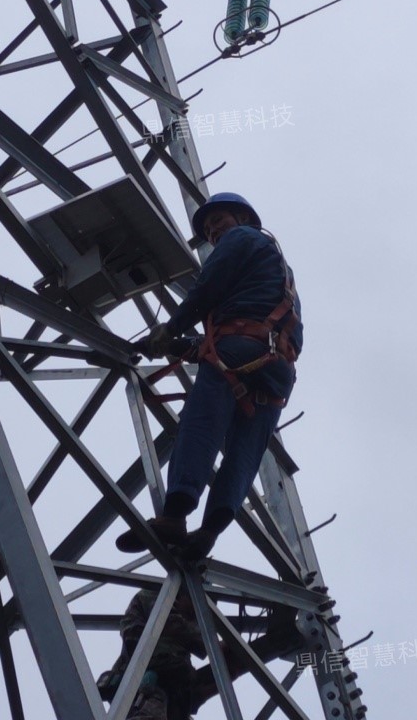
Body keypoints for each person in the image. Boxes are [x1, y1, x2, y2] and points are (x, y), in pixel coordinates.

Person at [116, 192, 303, 560]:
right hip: (275, 367)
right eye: (207, 228)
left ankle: (174, 515)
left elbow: (209, 287)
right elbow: (236, 327)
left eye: (218, 221)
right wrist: (179, 346)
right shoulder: (275, 268)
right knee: (245, 451)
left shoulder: (243, 238)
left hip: (243, 348)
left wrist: (171, 328)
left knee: (200, 422)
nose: (213, 231)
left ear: (243, 218)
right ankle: (209, 532)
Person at [98, 588, 205, 720]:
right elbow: (195, 639)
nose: (196, 615)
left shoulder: (182, 631)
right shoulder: (157, 597)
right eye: (196, 607)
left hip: (164, 690)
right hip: (142, 682)